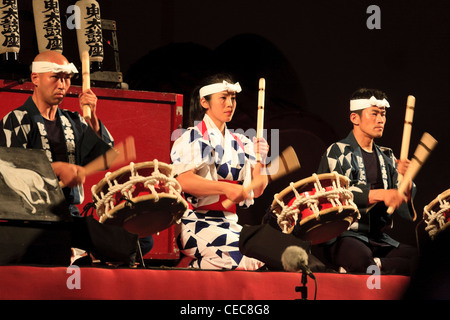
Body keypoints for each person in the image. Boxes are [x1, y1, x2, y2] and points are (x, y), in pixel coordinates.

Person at [170, 73, 270, 270]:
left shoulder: (242, 142)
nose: (230, 104)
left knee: (261, 255)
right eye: (223, 98)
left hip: (229, 224)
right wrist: (225, 188)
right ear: (204, 102)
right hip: (195, 221)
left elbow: (257, 191)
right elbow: (184, 181)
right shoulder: (192, 137)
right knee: (241, 259)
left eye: (232, 98)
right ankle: (188, 274)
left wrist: (262, 160)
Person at [317, 88, 418, 275]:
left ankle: (377, 265)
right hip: (345, 236)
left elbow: (401, 203)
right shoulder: (337, 151)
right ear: (355, 118)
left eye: (383, 114)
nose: (381, 120)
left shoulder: (388, 157)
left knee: (422, 259)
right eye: (374, 114)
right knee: (361, 260)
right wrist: (383, 194)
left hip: (378, 238)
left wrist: (406, 179)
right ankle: (370, 265)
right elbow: (337, 195)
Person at [0, 50, 113, 215]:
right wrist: (57, 169)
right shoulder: (16, 120)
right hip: (29, 215)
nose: (62, 85)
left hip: (69, 213)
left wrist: (93, 117)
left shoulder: (74, 121)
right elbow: (9, 170)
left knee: (139, 239)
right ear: (35, 78)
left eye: (66, 78)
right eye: (55, 77)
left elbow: (105, 159)